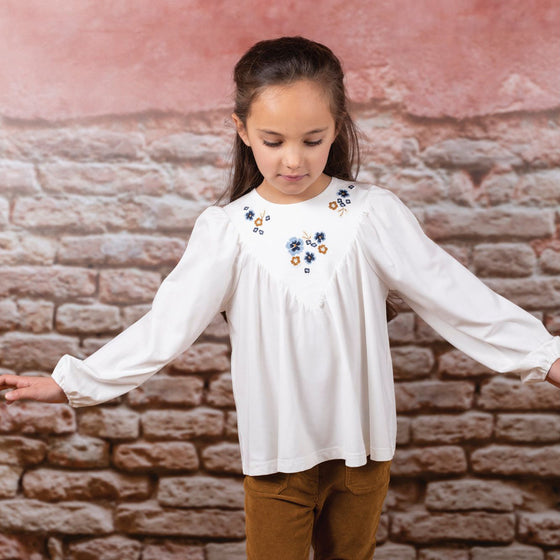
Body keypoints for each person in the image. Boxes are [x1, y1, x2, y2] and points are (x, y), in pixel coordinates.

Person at [1, 36, 560, 560]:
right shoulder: (228, 230)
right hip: (277, 458)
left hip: (363, 452)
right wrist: (72, 382)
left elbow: (455, 294)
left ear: (337, 128)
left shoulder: (373, 214)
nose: (293, 160)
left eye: (312, 140)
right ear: (243, 130)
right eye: (274, 142)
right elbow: (166, 326)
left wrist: (546, 356)